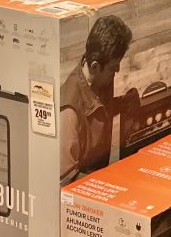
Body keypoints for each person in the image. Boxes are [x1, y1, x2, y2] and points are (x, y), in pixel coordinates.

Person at [59, 14, 138, 184]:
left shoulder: (101, 78)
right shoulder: (69, 111)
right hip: (83, 191)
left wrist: (124, 103)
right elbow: (66, 178)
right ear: (95, 67)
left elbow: (100, 110)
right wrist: (107, 186)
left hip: (101, 174)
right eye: (112, 67)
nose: (117, 70)